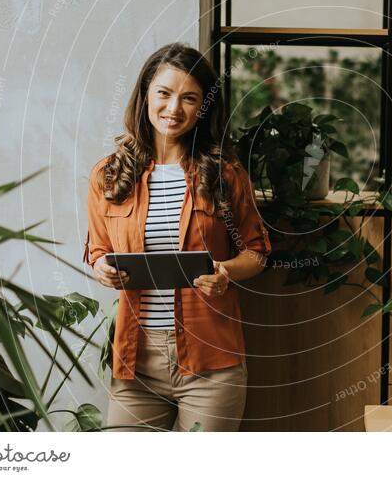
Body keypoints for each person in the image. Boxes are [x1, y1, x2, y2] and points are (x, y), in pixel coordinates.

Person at [83, 43, 271, 431]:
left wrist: (226, 272)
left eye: (189, 98)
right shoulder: (109, 174)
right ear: (146, 94)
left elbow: (257, 251)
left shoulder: (224, 173)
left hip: (211, 365)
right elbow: (98, 247)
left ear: (203, 107)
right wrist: (101, 266)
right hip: (135, 363)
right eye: (164, 94)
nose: (174, 109)